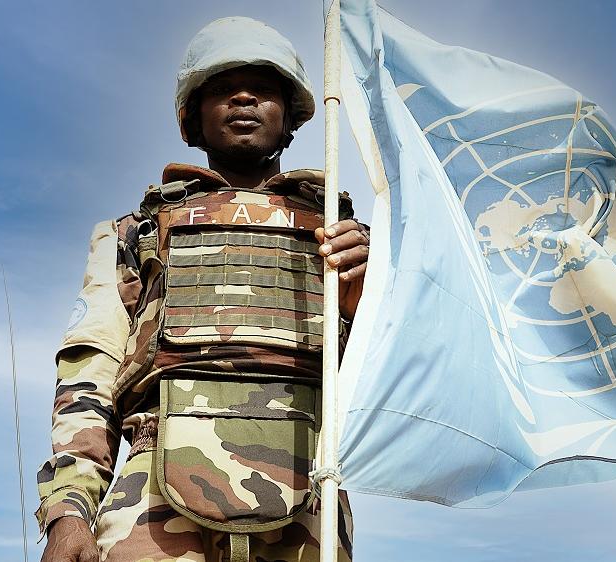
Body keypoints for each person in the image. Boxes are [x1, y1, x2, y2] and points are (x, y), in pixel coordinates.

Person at [36, 17, 367, 562]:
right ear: (193, 118)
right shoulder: (135, 234)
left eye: (262, 88)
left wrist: (365, 305)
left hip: (310, 490)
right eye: (222, 88)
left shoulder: (345, 241)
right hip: (151, 496)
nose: (243, 98)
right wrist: (69, 511)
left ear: (291, 117)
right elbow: (88, 375)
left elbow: (398, 387)